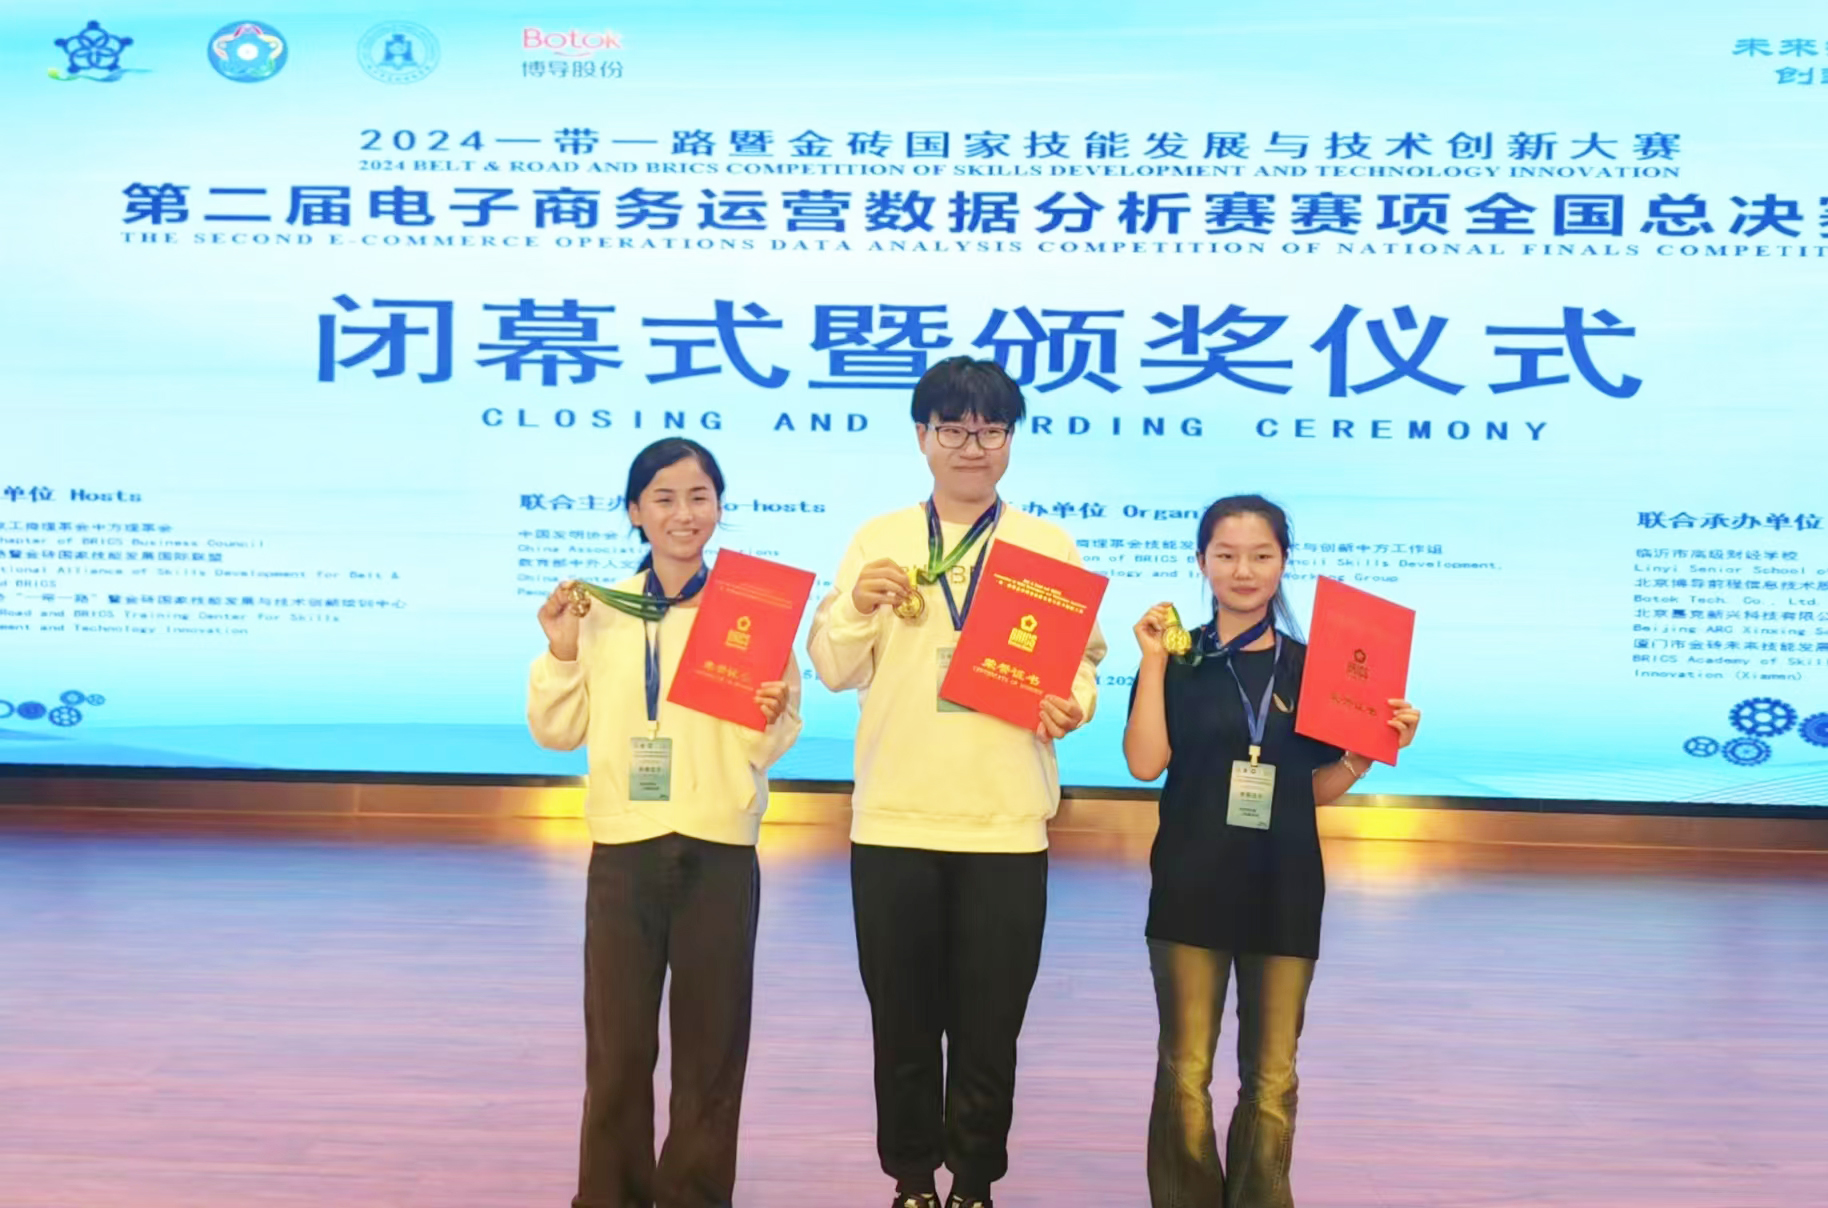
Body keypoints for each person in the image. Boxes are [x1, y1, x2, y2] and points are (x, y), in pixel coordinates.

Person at [807, 356, 1106, 1208]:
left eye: (991, 430)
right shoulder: (880, 539)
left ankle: (975, 1181)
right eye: (953, 429)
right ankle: (910, 1179)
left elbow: (1081, 665)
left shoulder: (1045, 546)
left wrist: (1072, 703)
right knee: (901, 1021)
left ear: (1010, 439)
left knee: (989, 1025)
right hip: (895, 822)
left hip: (1004, 822)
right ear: (922, 437)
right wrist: (855, 607)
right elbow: (831, 665)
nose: (973, 447)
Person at [1122, 495, 1422, 1208]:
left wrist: (1367, 754)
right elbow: (1144, 762)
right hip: (1190, 885)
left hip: (1284, 888)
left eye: (1261, 556)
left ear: (1284, 562)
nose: (1243, 570)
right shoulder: (1178, 660)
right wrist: (1153, 663)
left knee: (1272, 1078)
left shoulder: (1316, 669)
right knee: (1185, 1070)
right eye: (1226, 555)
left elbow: (1305, 792)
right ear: (1201, 562)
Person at [528, 438, 802, 1208]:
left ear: (719, 507)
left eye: (700, 497)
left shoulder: (751, 612)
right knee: (617, 1052)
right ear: (635, 512)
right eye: (665, 498)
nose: (685, 514)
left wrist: (770, 712)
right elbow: (557, 731)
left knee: (711, 1055)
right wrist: (561, 652)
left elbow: (766, 744)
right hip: (624, 851)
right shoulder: (602, 611)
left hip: (720, 850)